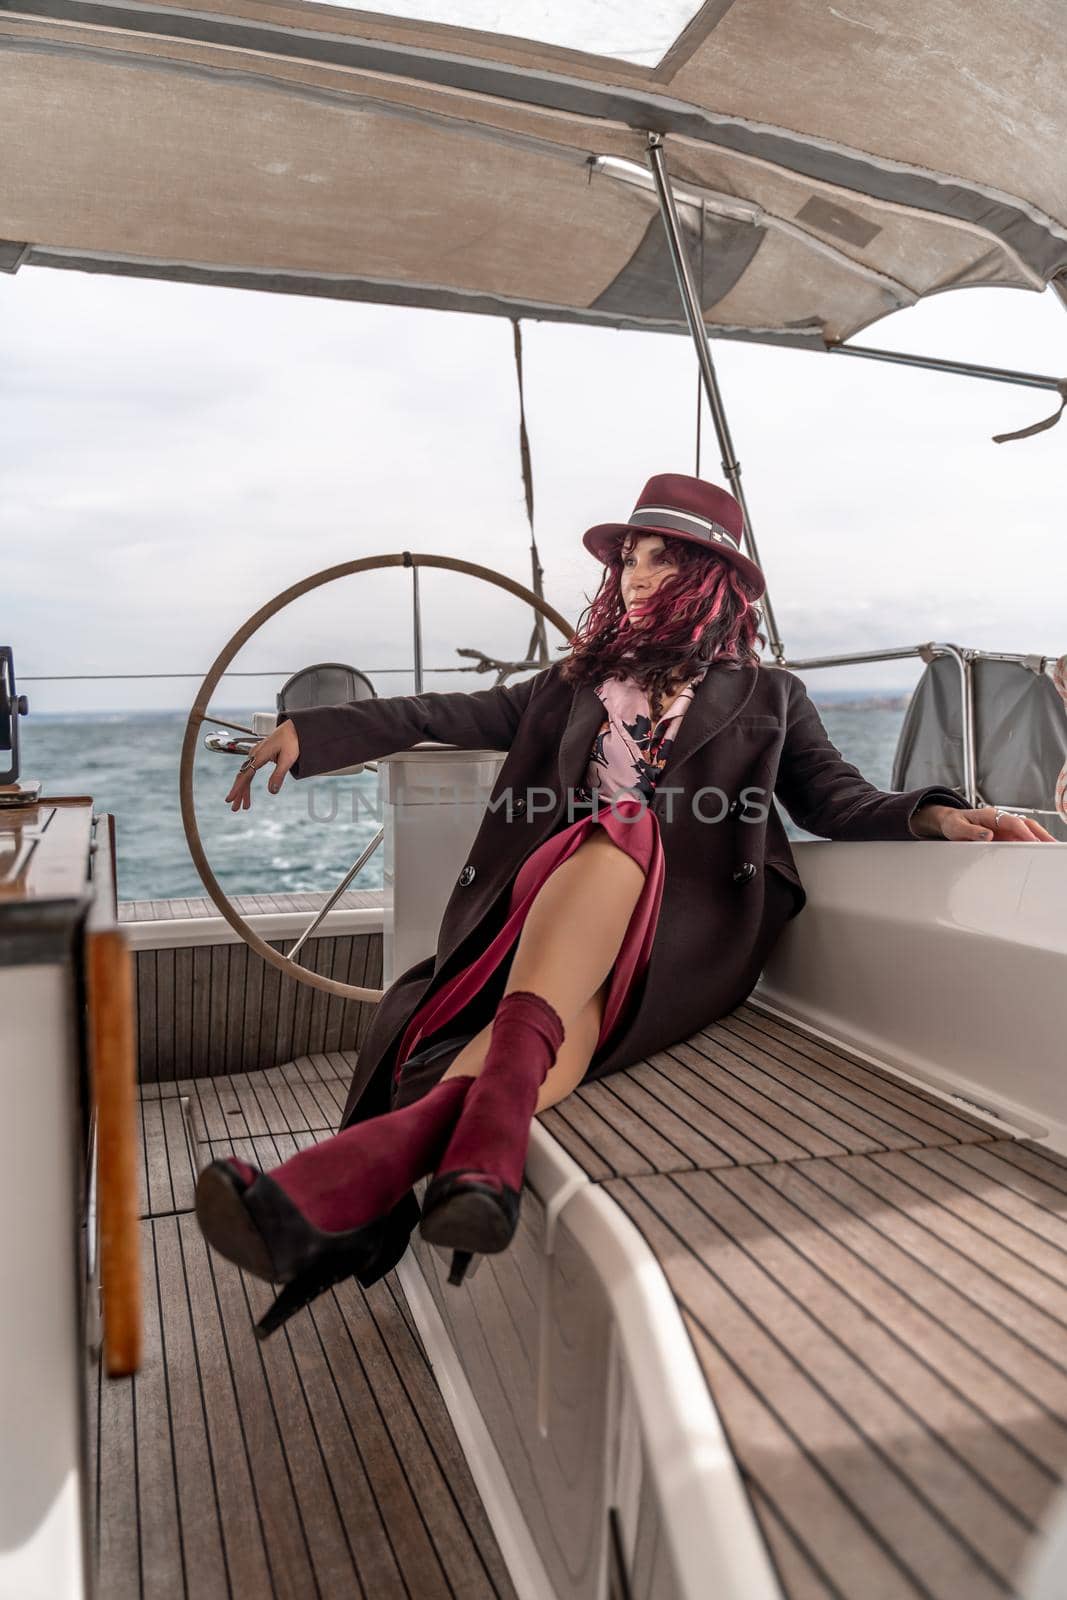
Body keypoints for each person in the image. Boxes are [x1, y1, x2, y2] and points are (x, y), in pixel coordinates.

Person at [194, 472, 1056, 1337]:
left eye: (663, 561)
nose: (635, 577)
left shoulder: (771, 697)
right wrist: (320, 731)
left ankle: (347, 1185)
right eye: (629, 561)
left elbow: (832, 799)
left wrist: (941, 813)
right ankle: (465, 1167)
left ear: (711, 581)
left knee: (621, 838)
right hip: (559, 912)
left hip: (688, 930)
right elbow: (443, 709)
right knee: (603, 861)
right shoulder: (568, 684)